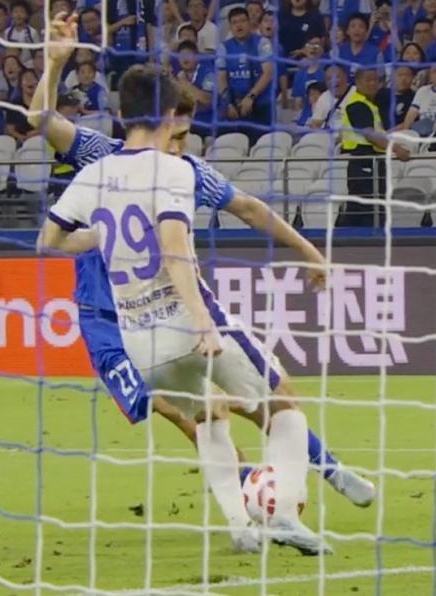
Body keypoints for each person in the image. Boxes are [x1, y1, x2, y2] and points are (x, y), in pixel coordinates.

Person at [29, 11, 376, 514]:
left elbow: (250, 209)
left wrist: (309, 251)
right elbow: (41, 122)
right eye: (175, 135)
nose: (179, 147)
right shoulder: (101, 156)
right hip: (107, 320)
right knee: (192, 417)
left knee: (249, 403)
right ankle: (253, 496)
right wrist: (55, 63)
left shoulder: (189, 171)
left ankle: (306, 477)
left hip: (165, 312)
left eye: (185, 138)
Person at [339, 67, 410, 227]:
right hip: (363, 159)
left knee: (372, 206)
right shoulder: (357, 104)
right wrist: (397, 149)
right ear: (357, 82)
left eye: (376, 80)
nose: (373, 84)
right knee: (366, 207)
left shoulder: (369, 104)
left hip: (373, 160)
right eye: (368, 80)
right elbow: (370, 134)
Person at [217, 7, 275, 143]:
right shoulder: (223, 47)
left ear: (249, 23)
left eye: (242, 21)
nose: (239, 25)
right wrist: (228, 103)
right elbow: (221, 78)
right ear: (230, 27)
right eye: (234, 22)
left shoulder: (262, 43)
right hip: (234, 105)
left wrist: (251, 96)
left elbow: (268, 73)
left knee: (261, 145)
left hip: (260, 104)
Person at [175, 40, 216, 137]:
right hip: (190, 125)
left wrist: (184, 83)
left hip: (208, 124)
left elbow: (206, 99)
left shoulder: (208, 73)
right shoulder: (180, 75)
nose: (185, 58)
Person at [398, 62, 436, 136]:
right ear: (430, 75)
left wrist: (434, 134)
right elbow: (411, 115)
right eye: (435, 71)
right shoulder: (422, 90)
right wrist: (405, 133)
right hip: (419, 132)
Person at [333, 13, 381, 82]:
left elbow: (380, 81)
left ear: (366, 31)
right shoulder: (338, 51)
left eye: (361, 26)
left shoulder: (376, 53)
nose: (357, 29)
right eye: (353, 26)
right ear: (347, 31)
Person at [309, 64, 354, 131]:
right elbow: (316, 123)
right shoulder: (324, 97)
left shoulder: (356, 92)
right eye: (329, 79)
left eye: (337, 77)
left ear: (345, 77)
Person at [375, 65, 415, 130]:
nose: (403, 79)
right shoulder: (380, 94)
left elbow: (411, 121)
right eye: (399, 75)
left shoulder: (415, 98)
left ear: (413, 78)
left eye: (407, 75)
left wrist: (390, 132)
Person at [5, 68, 39, 143]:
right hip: (20, 142)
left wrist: (37, 132)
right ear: (20, 85)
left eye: (32, 78)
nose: (29, 81)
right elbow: (10, 129)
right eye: (26, 78)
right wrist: (22, 137)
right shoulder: (14, 105)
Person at [5, 0, 42, 64]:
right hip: (13, 64)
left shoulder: (32, 32)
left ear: (27, 15)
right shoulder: (7, 32)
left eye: (22, 12)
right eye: (16, 12)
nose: (18, 15)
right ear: (11, 14)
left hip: (29, 64)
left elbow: (38, 51)